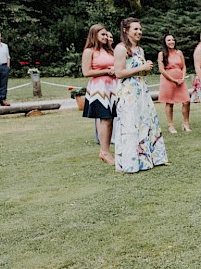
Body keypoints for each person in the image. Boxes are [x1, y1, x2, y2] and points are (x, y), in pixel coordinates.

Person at [113, 18, 168, 173]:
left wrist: (146, 69)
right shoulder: (121, 48)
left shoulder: (140, 50)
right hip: (128, 92)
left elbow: (139, 71)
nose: (139, 32)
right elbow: (119, 73)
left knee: (145, 122)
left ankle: (146, 160)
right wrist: (141, 68)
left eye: (140, 29)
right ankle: (129, 163)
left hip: (141, 90)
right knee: (130, 124)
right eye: (135, 29)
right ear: (126, 30)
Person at [80, 24, 118, 165]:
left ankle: (107, 150)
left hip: (112, 88)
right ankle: (104, 151)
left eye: (106, 34)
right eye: (102, 34)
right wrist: (106, 71)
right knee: (105, 119)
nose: (106, 37)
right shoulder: (89, 51)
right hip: (99, 89)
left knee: (111, 119)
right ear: (94, 35)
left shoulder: (110, 51)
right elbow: (86, 72)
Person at [157, 34, 191, 133]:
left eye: (173, 40)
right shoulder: (162, 54)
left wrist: (183, 77)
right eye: (169, 40)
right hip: (168, 79)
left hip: (180, 79)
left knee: (186, 101)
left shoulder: (179, 52)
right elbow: (162, 70)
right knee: (170, 102)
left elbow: (183, 66)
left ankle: (185, 123)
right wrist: (173, 79)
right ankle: (170, 125)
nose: (171, 42)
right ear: (165, 42)